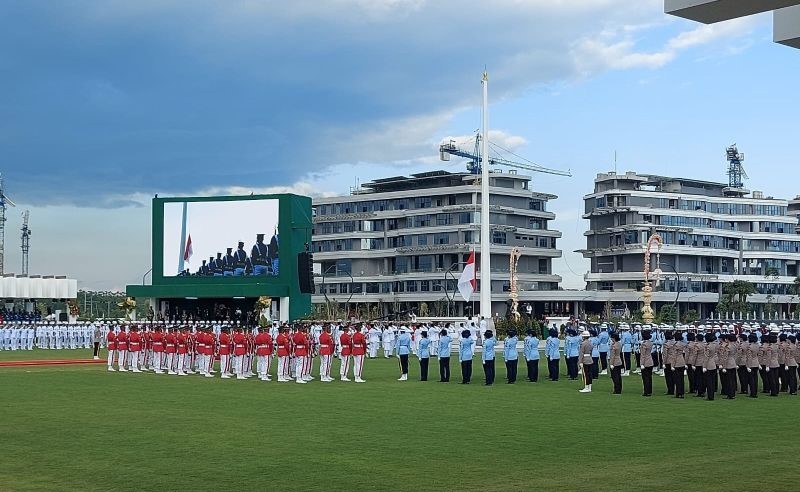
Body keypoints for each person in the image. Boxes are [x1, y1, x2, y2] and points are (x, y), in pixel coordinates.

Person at [702, 332, 719, 401]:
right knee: (712, 381)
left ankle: (710, 396)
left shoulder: (708, 346)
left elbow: (706, 357)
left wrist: (704, 366)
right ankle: (711, 395)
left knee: (709, 382)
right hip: (714, 364)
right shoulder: (715, 345)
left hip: (709, 364)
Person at [671, 332, 686, 399]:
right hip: (682, 361)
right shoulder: (683, 344)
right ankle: (682, 393)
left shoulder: (675, 345)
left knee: (677, 379)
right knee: (681, 379)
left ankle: (678, 393)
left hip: (677, 362)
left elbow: (674, 356)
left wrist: (672, 365)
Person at [639, 330, 654, 397]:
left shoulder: (644, 344)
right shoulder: (650, 343)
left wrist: (642, 364)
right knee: (649, 377)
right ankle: (649, 391)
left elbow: (643, 355)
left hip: (645, 362)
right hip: (650, 361)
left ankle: (646, 391)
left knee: (645, 378)